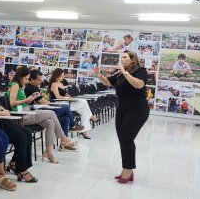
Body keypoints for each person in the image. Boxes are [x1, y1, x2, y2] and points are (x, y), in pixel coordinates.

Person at [93, 50, 149, 184]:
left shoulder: (140, 71)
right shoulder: (120, 74)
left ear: (132, 60)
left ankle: (128, 170)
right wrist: (98, 74)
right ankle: (127, 169)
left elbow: (138, 84)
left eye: (124, 57)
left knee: (127, 138)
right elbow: (107, 82)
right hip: (122, 107)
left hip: (137, 109)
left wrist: (124, 72)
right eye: (121, 57)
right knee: (123, 139)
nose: (122, 60)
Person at [0, 66, 38, 183]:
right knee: (21, 136)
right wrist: (2, 112)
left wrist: (3, 109)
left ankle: (18, 164)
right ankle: (22, 169)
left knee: (27, 133)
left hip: (1, 118)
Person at [7, 66, 77, 164]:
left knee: (50, 122)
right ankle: (63, 138)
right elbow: (12, 103)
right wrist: (27, 100)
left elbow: (23, 102)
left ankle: (48, 151)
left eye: (28, 79)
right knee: (52, 113)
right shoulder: (14, 85)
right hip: (21, 115)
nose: (27, 81)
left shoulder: (21, 86)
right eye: (26, 79)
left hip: (27, 110)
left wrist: (31, 98)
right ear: (20, 77)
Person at [24, 69, 84, 137]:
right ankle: (73, 125)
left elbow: (44, 101)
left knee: (66, 119)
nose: (40, 82)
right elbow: (45, 102)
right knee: (65, 107)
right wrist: (44, 99)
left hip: (40, 109)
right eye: (38, 80)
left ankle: (64, 141)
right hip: (36, 112)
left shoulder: (34, 87)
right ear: (31, 79)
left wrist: (43, 98)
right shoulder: (31, 88)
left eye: (41, 80)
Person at [49, 68, 98, 139]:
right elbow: (57, 96)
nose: (63, 77)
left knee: (84, 111)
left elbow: (66, 94)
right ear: (57, 76)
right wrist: (67, 98)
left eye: (63, 75)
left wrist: (71, 98)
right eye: (62, 76)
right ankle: (91, 117)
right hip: (60, 104)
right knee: (84, 101)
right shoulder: (54, 84)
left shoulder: (61, 84)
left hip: (67, 102)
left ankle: (84, 131)